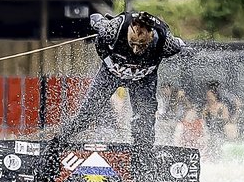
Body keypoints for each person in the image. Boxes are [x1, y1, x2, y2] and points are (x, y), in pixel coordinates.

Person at [49, 11, 185, 155]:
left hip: (142, 80)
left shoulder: (166, 42)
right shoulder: (114, 29)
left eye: (142, 44)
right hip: (111, 74)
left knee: (145, 122)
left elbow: (180, 44)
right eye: (133, 43)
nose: (136, 49)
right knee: (86, 115)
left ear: (151, 35)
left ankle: (143, 155)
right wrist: (106, 55)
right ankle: (56, 145)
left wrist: (186, 48)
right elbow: (94, 18)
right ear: (130, 29)